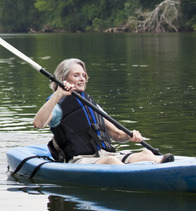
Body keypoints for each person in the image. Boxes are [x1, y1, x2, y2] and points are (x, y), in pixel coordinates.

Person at [33, 58, 174, 165]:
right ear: (64, 79)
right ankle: (135, 177)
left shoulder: (91, 104)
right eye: (76, 75)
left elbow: (116, 134)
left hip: (105, 154)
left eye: (83, 75)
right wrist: (58, 94)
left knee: (146, 153)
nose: (82, 78)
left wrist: (131, 135)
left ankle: (163, 166)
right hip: (80, 160)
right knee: (111, 161)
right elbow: (38, 124)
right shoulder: (57, 105)